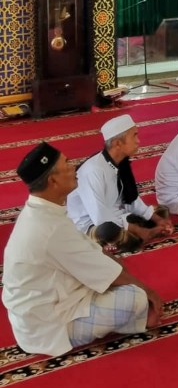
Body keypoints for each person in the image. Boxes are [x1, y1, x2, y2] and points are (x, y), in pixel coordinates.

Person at [2, 142, 163, 357]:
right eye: (67, 164)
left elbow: (94, 253)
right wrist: (151, 294)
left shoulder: (44, 210)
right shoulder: (48, 227)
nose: (74, 166)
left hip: (52, 303)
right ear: (53, 181)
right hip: (48, 325)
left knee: (116, 270)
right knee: (135, 298)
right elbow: (109, 273)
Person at [67, 114, 173, 253]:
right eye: (134, 136)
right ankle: (139, 234)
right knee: (111, 232)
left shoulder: (120, 163)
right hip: (91, 225)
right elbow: (101, 217)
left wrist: (156, 218)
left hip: (117, 214)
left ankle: (140, 231)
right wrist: (139, 230)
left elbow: (131, 198)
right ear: (118, 143)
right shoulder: (93, 171)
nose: (138, 141)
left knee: (161, 211)